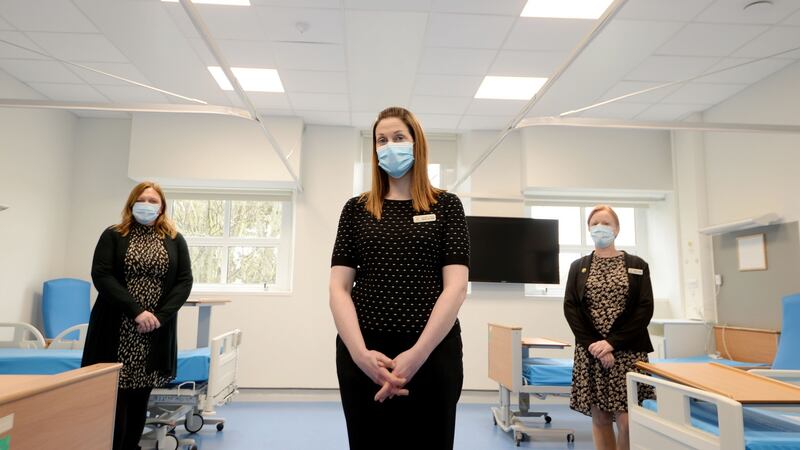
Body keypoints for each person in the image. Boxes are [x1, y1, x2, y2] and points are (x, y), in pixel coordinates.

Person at [329, 106, 470, 450]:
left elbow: (456, 287)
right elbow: (339, 287)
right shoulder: (356, 209)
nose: (389, 145)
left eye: (398, 137)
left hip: (432, 355)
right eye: (381, 140)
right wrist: (361, 354)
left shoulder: (446, 206)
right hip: (365, 358)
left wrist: (417, 354)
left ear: (416, 144)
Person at [82, 181, 193, 450]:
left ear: (162, 206)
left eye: (154, 200)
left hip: (154, 332)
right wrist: (137, 312)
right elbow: (102, 275)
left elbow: (184, 280)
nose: (148, 204)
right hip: (117, 327)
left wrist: (158, 317)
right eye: (142, 199)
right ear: (132, 203)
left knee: (140, 398)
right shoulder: (113, 235)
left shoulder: (175, 239)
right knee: (116, 399)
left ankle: (131, 446)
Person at [563, 205, 655, 450]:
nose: (600, 228)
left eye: (605, 223)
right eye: (594, 224)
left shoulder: (637, 265)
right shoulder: (578, 266)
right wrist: (597, 346)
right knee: (601, 418)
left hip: (628, 352)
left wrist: (612, 343)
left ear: (617, 229)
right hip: (591, 352)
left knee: (627, 421)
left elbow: (644, 309)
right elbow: (571, 309)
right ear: (588, 230)